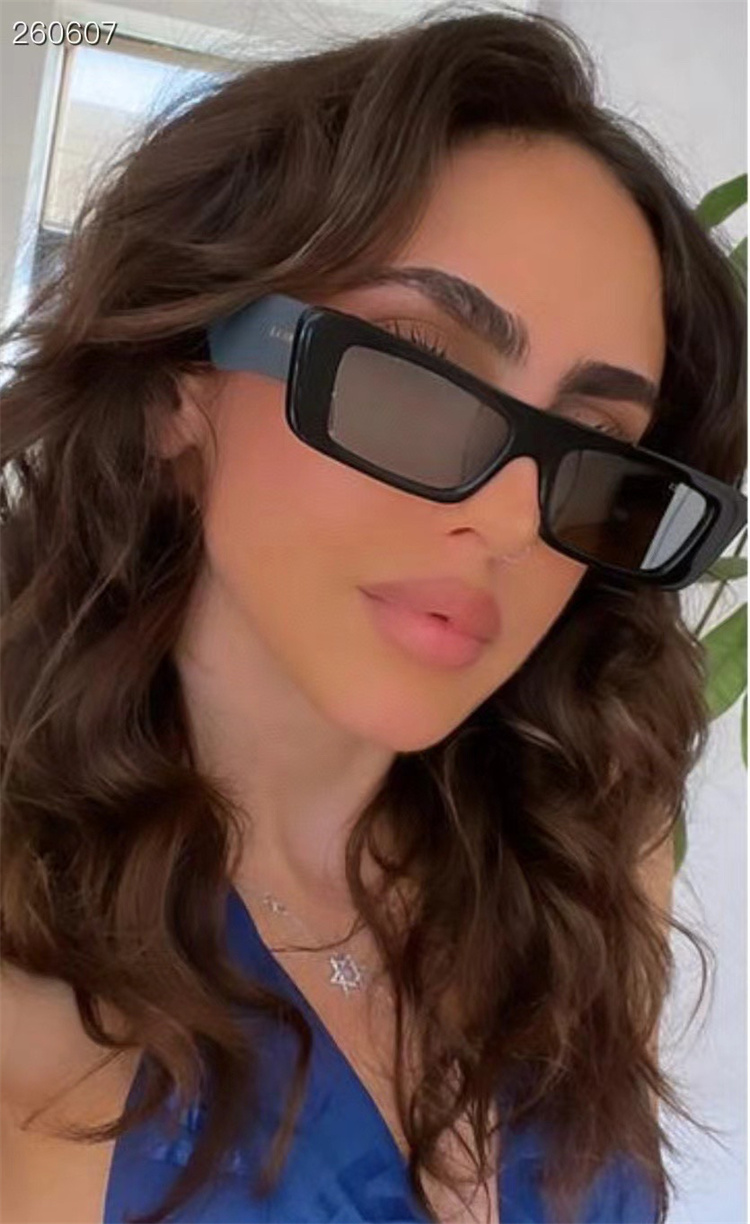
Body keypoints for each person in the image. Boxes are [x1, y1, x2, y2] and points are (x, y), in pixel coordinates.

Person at [0, 6, 746, 1224]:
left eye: (595, 444)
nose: (512, 520)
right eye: (415, 373)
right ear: (180, 384)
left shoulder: (590, 862)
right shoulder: (31, 1007)